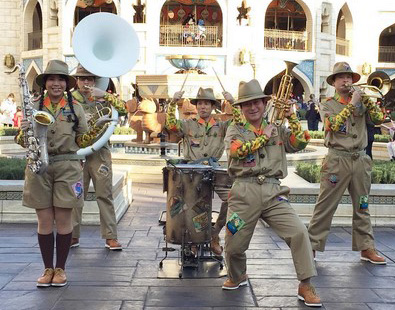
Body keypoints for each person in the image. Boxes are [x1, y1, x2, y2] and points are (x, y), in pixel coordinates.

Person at [223, 79, 321, 307]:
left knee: (299, 233)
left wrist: (293, 117)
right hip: (243, 192)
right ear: (241, 108)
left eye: (256, 102)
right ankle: (238, 275)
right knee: (234, 244)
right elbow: (236, 152)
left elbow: (299, 143)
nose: (253, 107)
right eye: (247, 104)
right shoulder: (235, 129)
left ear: (264, 103)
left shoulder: (277, 127)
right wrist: (263, 137)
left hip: (273, 191)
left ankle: (305, 284)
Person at [15, 59, 101, 287]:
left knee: (63, 219)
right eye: (51, 79)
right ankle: (47, 269)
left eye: (61, 79)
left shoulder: (77, 108)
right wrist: (23, 131)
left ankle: (60, 269)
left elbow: (82, 140)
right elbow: (23, 142)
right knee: (44, 220)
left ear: (66, 83)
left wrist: (95, 131)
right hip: (38, 166)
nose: (56, 83)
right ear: (45, 83)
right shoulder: (33, 105)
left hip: (68, 166)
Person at [308, 62, 386, 265]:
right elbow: (332, 126)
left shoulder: (362, 101)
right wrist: (352, 104)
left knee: (362, 205)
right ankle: (312, 247)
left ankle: (366, 247)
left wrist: (367, 102)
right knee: (325, 205)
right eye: (341, 77)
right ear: (334, 82)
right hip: (337, 160)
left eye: (349, 77)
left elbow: (378, 120)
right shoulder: (327, 104)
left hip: (359, 159)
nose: (346, 81)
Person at [166, 87, 236, 255]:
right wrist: (172, 103)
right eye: (200, 104)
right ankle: (193, 242)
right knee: (191, 206)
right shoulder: (187, 124)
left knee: (233, 199)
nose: (203, 107)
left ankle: (214, 234)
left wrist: (233, 103)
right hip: (192, 171)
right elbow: (171, 126)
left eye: (207, 103)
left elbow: (241, 123)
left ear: (213, 107)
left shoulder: (222, 125)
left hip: (214, 169)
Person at [70, 64, 127, 251]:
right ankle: (72, 234)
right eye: (83, 78)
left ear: (95, 81)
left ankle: (111, 236)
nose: (86, 82)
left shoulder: (102, 98)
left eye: (90, 78)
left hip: (100, 153)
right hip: (76, 153)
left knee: (105, 194)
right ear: (76, 81)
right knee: (76, 195)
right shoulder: (69, 100)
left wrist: (106, 95)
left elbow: (124, 109)